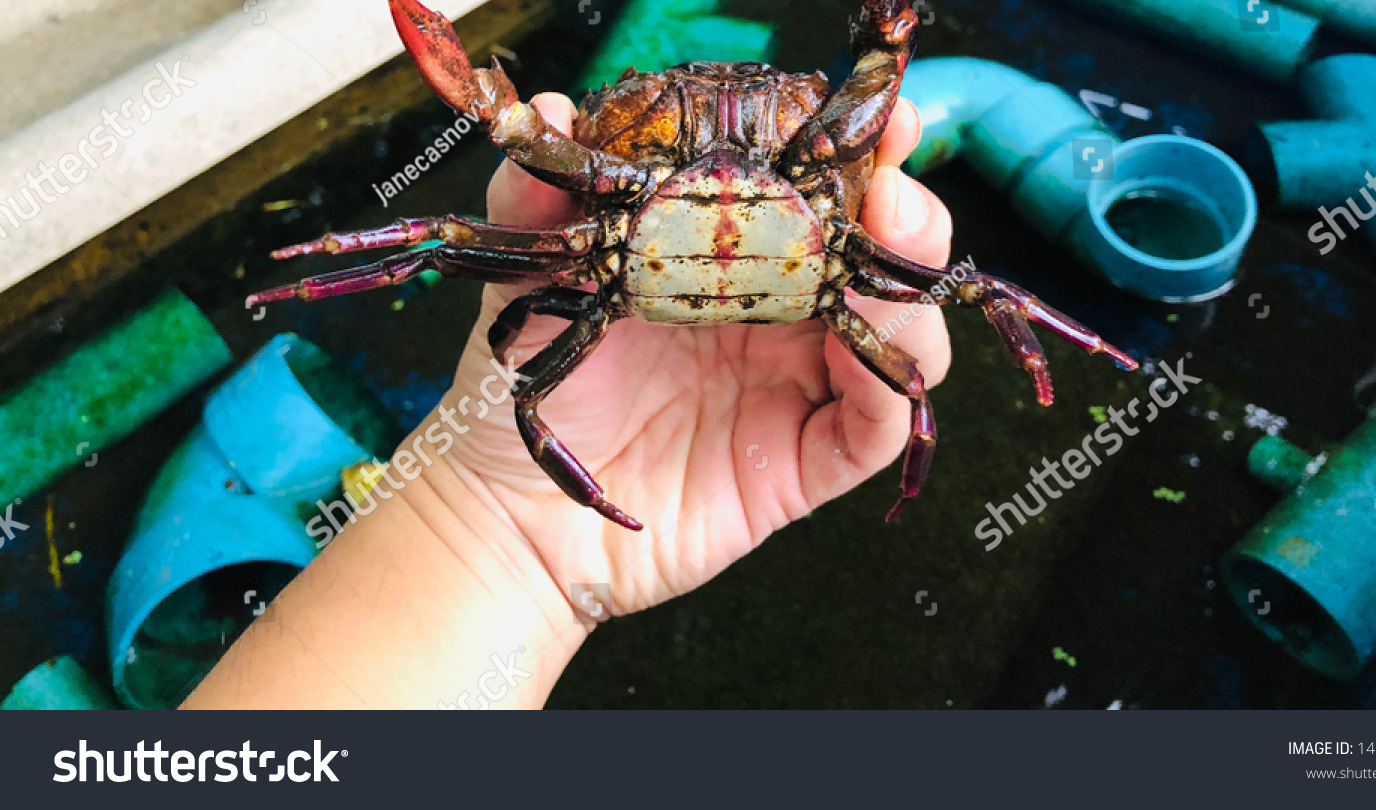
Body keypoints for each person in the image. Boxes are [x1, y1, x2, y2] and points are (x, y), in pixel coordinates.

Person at [185, 94, 949, 709]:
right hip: (613, 308)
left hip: (783, 296)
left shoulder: (835, 208)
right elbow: (440, 240)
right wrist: (504, 526)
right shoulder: (583, 237)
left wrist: (503, 537)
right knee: (456, 275)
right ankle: (308, 270)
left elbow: (969, 296)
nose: (719, 138)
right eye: (669, 102)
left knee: (914, 360)